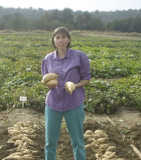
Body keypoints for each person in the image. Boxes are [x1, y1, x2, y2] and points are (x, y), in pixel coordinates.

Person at [41, 26, 90, 160]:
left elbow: (86, 78)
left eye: (64, 37)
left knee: (77, 141)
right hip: (53, 103)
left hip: (73, 103)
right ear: (53, 40)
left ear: (68, 39)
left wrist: (75, 85)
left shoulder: (80, 56)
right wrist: (49, 83)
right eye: (58, 37)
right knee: (50, 142)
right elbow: (45, 78)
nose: (61, 40)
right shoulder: (48, 59)